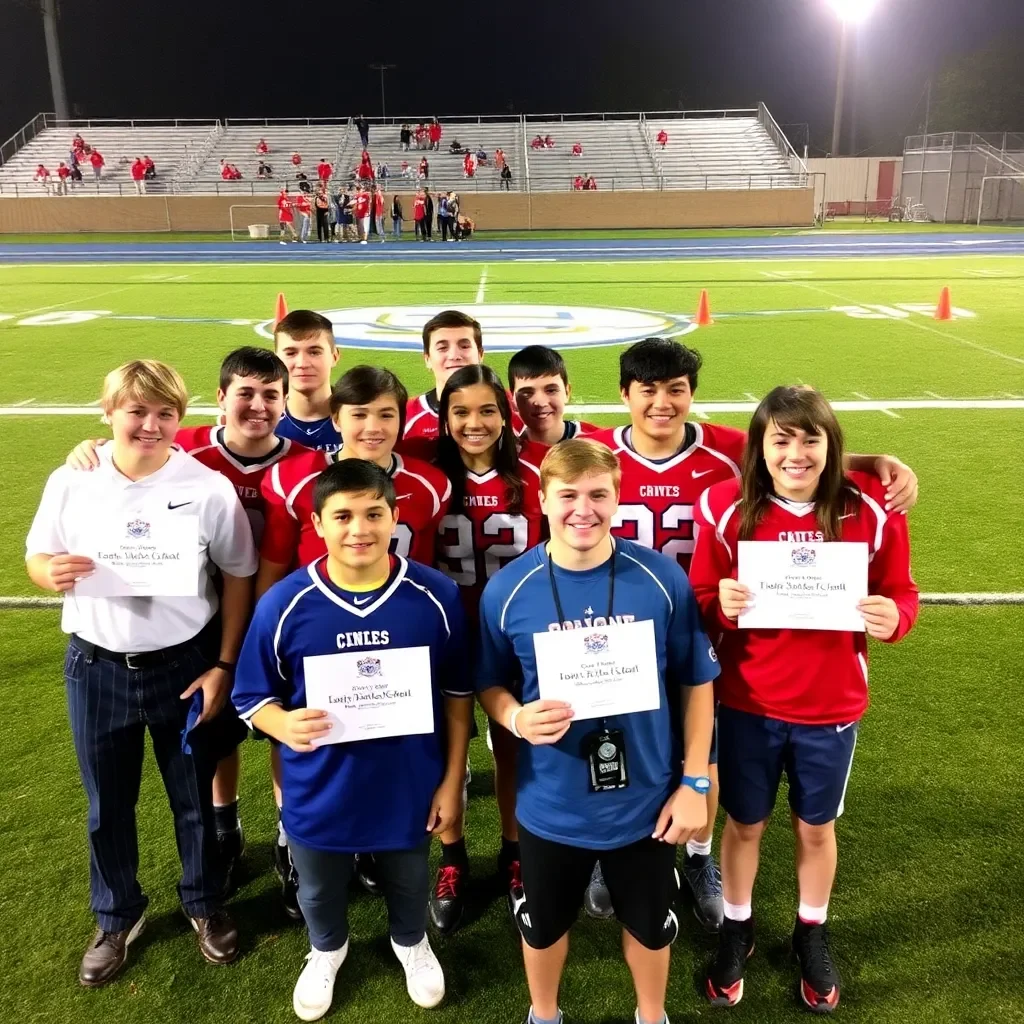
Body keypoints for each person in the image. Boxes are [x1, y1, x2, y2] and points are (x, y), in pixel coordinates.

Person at [585, 339, 919, 928]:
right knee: (617, 738)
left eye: (677, 390)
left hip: (707, 642)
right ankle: (607, 852)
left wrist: (882, 462)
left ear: (692, 395)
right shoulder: (595, 452)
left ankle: (697, 857)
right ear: (624, 395)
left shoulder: (730, 456)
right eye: (648, 390)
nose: (662, 403)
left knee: (699, 753)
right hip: (623, 623)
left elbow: (804, 445)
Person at [25, 360, 257, 987]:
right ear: (108, 413)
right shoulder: (72, 481)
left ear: (182, 419)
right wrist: (50, 574)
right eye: (137, 411)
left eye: (165, 414)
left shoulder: (207, 487)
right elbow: (36, 556)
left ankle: (204, 903)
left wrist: (224, 665)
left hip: (183, 665)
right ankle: (116, 914)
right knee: (108, 805)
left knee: (193, 796)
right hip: (95, 664)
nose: (151, 425)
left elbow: (238, 574)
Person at [691, 385, 919, 1013]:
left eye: (810, 439)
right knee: (745, 823)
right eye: (781, 439)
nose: (796, 453)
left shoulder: (870, 508)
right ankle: (738, 924)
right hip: (747, 701)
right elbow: (701, 597)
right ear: (759, 448)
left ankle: (811, 929)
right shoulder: (724, 508)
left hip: (831, 705)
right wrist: (722, 606)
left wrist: (890, 618)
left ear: (830, 444)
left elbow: (902, 592)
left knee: (815, 828)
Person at [476, 438, 719, 1024]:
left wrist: (696, 783)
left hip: (648, 803)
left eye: (598, 495)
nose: (582, 509)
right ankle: (544, 1013)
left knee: (652, 927)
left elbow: (698, 684)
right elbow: (489, 682)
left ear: (617, 498)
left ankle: (652, 1014)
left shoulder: (660, 578)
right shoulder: (507, 591)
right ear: (542, 499)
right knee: (543, 925)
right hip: (550, 805)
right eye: (567, 495)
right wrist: (513, 716)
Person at [234, 459, 472, 1021]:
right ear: (317, 523)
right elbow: (252, 697)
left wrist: (451, 781)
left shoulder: (434, 596)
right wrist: (282, 724)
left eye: (373, 513)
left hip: (407, 783)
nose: (359, 529)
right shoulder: (284, 603)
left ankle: (411, 941)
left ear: (395, 517)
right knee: (317, 887)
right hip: (320, 786)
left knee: (410, 877)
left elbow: (459, 699)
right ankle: (326, 948)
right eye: (342, 516)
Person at [61, 348, 306, 891]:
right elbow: (137, 440)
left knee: (283, 728)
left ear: (286, 401)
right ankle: (226, 825)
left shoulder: (303, 461)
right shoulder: (187, 446)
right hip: (196, 622)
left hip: (274, 619)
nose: (258, 405)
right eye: (244, 393)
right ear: (219, 400)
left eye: (271, 395)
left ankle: (288, 839)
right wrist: (94, 449)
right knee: (215, 741)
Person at [429, 364, 546, 932]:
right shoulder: (424, 473)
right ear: (443, 416)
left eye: (487, 411)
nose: (474, 423)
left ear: (506, 416)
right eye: (461, 412)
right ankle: (452, 857)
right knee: (442, 750)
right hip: (442, 633)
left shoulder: (537, 472)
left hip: (512, 635)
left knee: (512, 746)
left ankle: (514, 848)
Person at [259, 365, 451, 590]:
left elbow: (424, 567)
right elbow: (273, 569)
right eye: (359, 414)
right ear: (336, 419)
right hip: (317, 611)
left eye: (386, 415)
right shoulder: (291, 479)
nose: (373, 428)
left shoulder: (431, 485)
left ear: (401, 420)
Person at [273, 310, 341, 452]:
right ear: (275, 360)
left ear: (334, 357)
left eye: (314, 352)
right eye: (291, 353)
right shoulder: (264, 422)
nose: (302, 363)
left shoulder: (359, 418)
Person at [509, 345, 599, 451]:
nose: (541, 403)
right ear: (513, 398)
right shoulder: (506, 454)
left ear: (567, 392)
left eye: (551, 390)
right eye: (527, 393)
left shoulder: (599, 444)